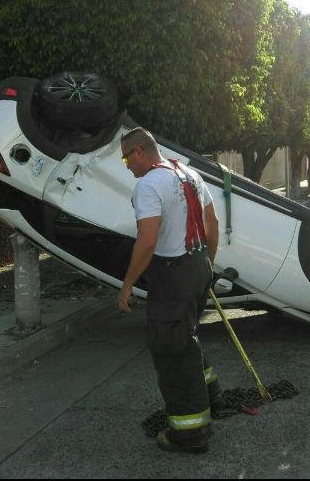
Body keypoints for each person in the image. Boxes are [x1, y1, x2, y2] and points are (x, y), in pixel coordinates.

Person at [117, 127, 221, 454]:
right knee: (186, 333)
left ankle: (190, 433)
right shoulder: (189, 174)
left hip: (173, 273)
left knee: (171, 350)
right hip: (198, 264)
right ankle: (211, 398)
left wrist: (127, 285)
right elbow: (212, 225)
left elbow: (147, 242)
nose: (127, 166)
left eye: (125, 159)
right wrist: (205, 266)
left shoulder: (149, 184)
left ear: (138, 152)